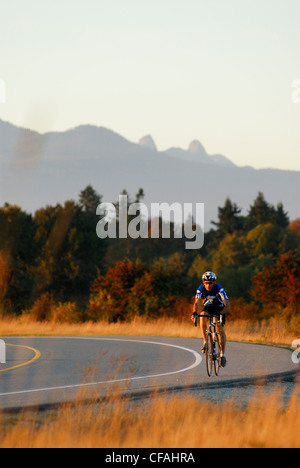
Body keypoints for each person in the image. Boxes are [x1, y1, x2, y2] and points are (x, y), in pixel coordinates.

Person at [191, 271, 230, 368]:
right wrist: (194, 313)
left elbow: (227, 305)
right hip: (208, 307)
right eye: (206, 283)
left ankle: (222, 354)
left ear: (214, 282)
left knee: (220, 329)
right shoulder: (200, 288)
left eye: (210, 283)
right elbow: (197, 302)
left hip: (219, 308)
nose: (208, 285)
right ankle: (205, 341)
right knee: (202, 316)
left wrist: (221, 313)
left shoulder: (219, 288)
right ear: (203, 283)